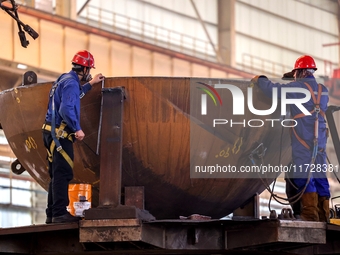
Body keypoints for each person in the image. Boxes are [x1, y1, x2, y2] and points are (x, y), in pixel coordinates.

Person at [251, 55, 330, 222]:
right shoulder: (323, 90)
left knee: (304, 176)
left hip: (304, 141)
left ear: (300, 72)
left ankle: (310, 215)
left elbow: (272, 90)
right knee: (320, 176)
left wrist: (261, 79)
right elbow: (308, 91)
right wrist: (294, 82)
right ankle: (324, 215)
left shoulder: (297, 88)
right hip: (320, 142)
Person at [42, 50, 105, 223]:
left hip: (50, 131)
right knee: (63, 173)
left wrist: (91, 84)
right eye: (89, 70)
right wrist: (77, 128)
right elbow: (66, 109)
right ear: (84, 69)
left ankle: (52, 214)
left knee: (56, 174)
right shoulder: (70, 83)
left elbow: (74, 96)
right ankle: (60, 213)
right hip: (60, 134)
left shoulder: (64, 79)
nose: (89, 72)